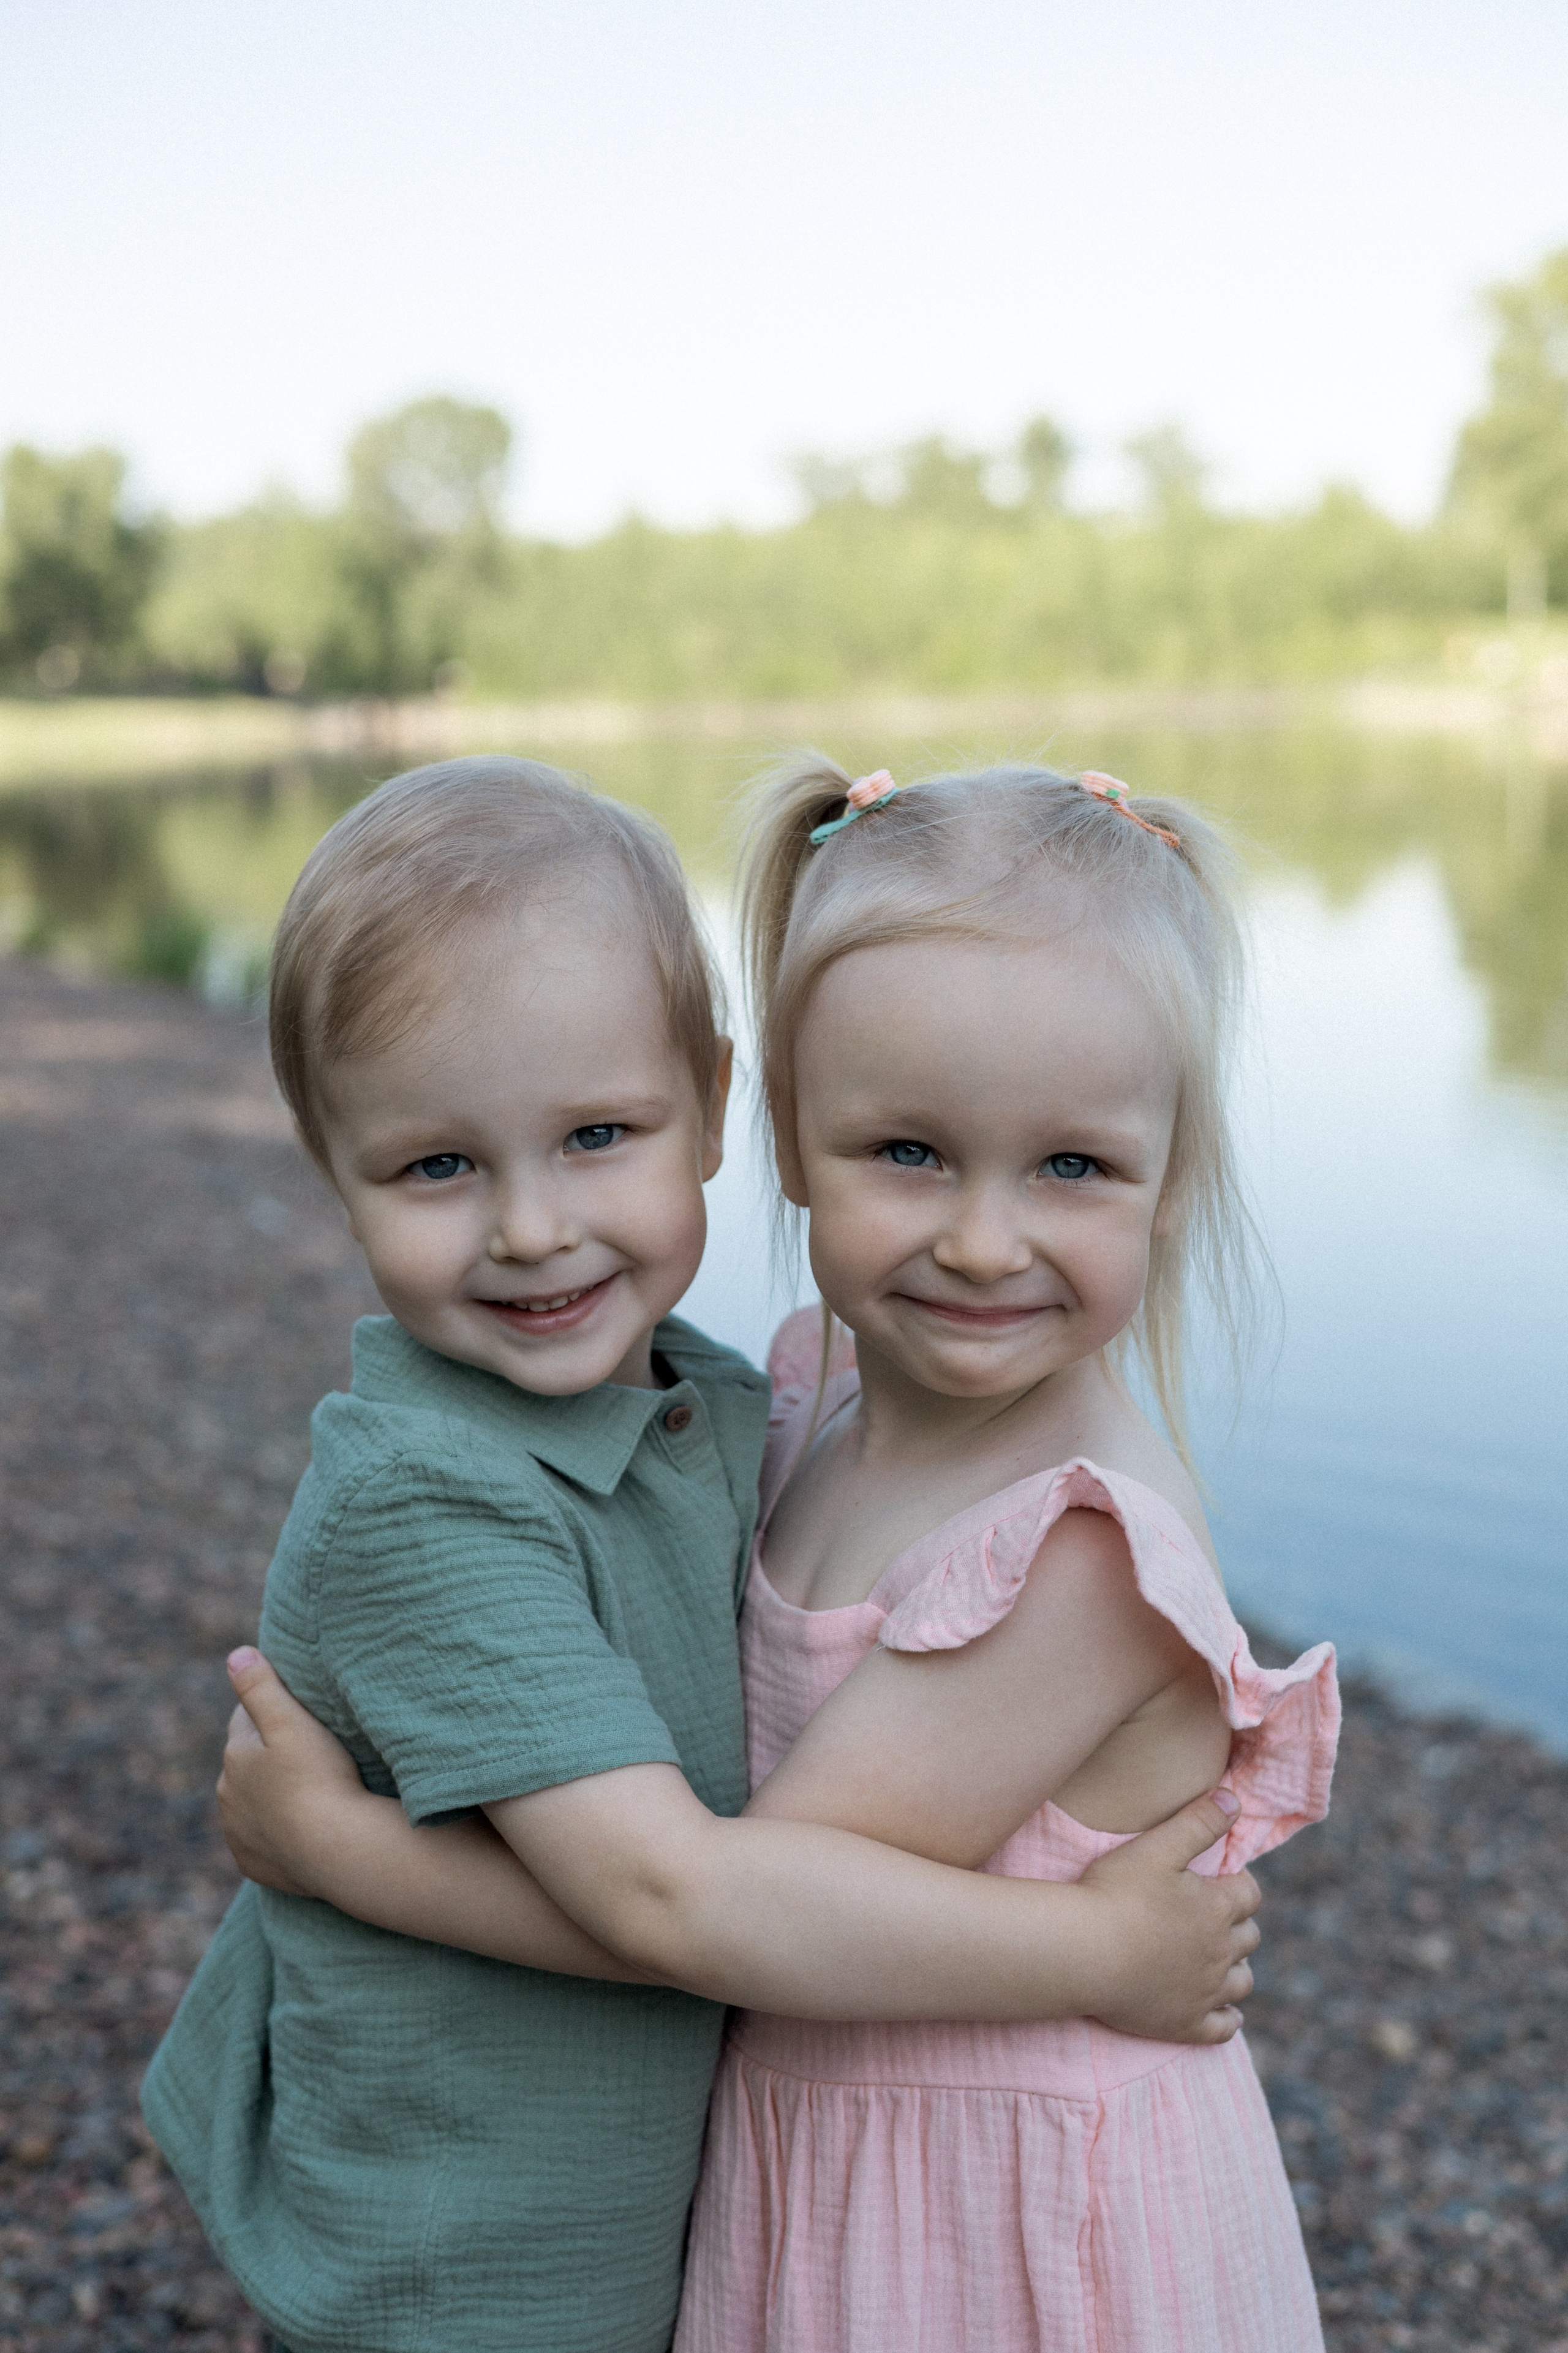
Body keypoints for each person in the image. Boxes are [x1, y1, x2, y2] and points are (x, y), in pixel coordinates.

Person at [148, 754, 1263, 2353]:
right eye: (910, 1151)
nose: (981, 1237)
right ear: (790, 1132)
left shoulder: (1059, 1543)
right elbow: (703, 1893)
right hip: (682, 2193)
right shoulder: (791, 1401)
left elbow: (720, 1908)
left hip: (987, 2204)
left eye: (1071, 1163)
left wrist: (344, 1852)